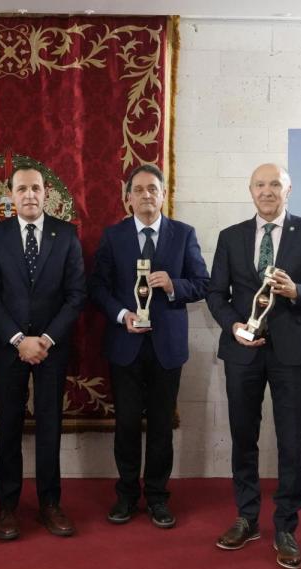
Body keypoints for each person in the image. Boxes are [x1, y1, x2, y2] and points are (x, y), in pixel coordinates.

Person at [206, 163, 301, 569]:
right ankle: (246, 518)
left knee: (291, 441)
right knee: (243, 437)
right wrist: (234, 326)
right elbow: (216, 294)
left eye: (275, 184)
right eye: (260, 184)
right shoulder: (230, 237)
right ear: (250, 191)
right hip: (242, 350)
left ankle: (286, 528)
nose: (267, 191)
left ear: (288, 190)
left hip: (292, 354)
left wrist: (297, 291)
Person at [89, 163, 209, 530]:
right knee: (126, 424)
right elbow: (98, 287)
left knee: (160, 426)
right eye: (138, 190)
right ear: (128, 198)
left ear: (163, 195)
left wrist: (173, 285)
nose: (146, 195)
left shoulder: (183, 234)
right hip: (125, 344)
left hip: (166, 348)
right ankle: (126, 495)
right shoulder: (113, 236)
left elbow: (202, 283)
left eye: (152, 189)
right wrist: (122, 314)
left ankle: (157, 497)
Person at [0, 164, 86, 540]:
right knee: (9, 426)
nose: (29, 195)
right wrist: (18, 339)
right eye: (22, 189)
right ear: (11, 195)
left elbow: (76, 295)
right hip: (9, 348)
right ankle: (7, 507)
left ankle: (50, 503)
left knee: (49, 426)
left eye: (36, 188)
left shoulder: (66, 234)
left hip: (51, 348)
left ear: (46, 193)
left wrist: (45, 339)